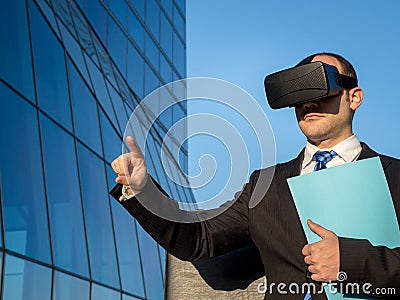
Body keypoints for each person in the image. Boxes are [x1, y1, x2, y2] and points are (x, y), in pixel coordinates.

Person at [110, 53, 400, 299]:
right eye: (299, 93)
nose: (309, 102)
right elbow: (198, 239)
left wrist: (350, 261)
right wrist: (143, 189)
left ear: (355, 97)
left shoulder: (396, 176)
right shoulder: (266, 185)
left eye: (320, 88)